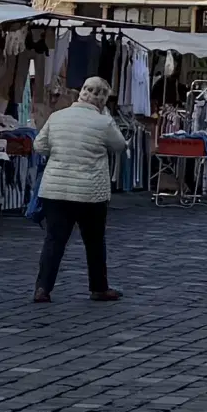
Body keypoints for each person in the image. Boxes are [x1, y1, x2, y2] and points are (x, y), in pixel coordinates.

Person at [32, 75, 124, 301]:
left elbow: (39, 146)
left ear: (82, 92)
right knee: (93, 241)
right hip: (89, 191)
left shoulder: (57, 117)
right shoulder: (103, 122)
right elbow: (120, 145)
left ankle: (42, 289)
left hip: (56, 189)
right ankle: (99, 287)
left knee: (54, 240)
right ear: (102, 98)